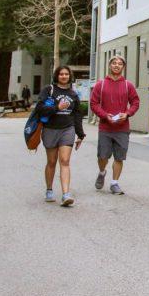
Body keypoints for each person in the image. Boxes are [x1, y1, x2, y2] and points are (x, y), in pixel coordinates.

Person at [90, 55, 139, 195]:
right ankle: (102, 171)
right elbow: (94, 104)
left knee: (119, 157)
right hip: (105, 127)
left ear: (123, 67)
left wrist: (127, 113)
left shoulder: (127, 85)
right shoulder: (101, 84)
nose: (117, 66)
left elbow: (135, 102)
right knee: (103, 157)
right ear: (110, 65)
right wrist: (105, 115)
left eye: (120, 64)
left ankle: (114, 183)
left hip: (122, 128)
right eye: (114, 63)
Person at [38, 66, 86, 206]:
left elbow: (77, 116)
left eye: (66, 74)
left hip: (67, 129)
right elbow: (40, 108)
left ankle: (66, 194)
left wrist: (80, 134)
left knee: (64, 161)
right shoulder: (49, 90)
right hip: (50, 129)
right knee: (52, 161)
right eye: (61, 74)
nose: (64, 76)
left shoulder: (73, 94)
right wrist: (57, 108)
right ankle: (49, 190)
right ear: (57, 76)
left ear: (69, 76)